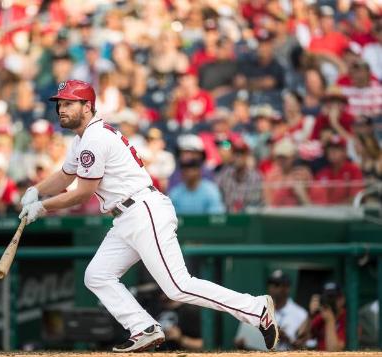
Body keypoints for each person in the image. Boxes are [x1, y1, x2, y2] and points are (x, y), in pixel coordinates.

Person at [18, 80, 279, 352]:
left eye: (69, 103)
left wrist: (44, 207)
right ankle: (143, 327)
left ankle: (256, 308)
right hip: (125, 216)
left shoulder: (95, 139)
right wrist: (36, 191)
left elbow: (83, 193)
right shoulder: (83, 140)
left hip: (143, 210)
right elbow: (65, 175)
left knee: (178, 286)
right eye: (60, 103)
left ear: (87, 106)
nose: (61, 108)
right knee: (97, 275)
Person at [295, 282, 346, 351]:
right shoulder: (321, 317)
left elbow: (334, 351)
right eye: (327, 297)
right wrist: (310, 316)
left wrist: (330, 320)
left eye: (333, 297)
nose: (330, 301)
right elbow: (299, 339)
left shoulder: (348, 320)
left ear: (342, 299)